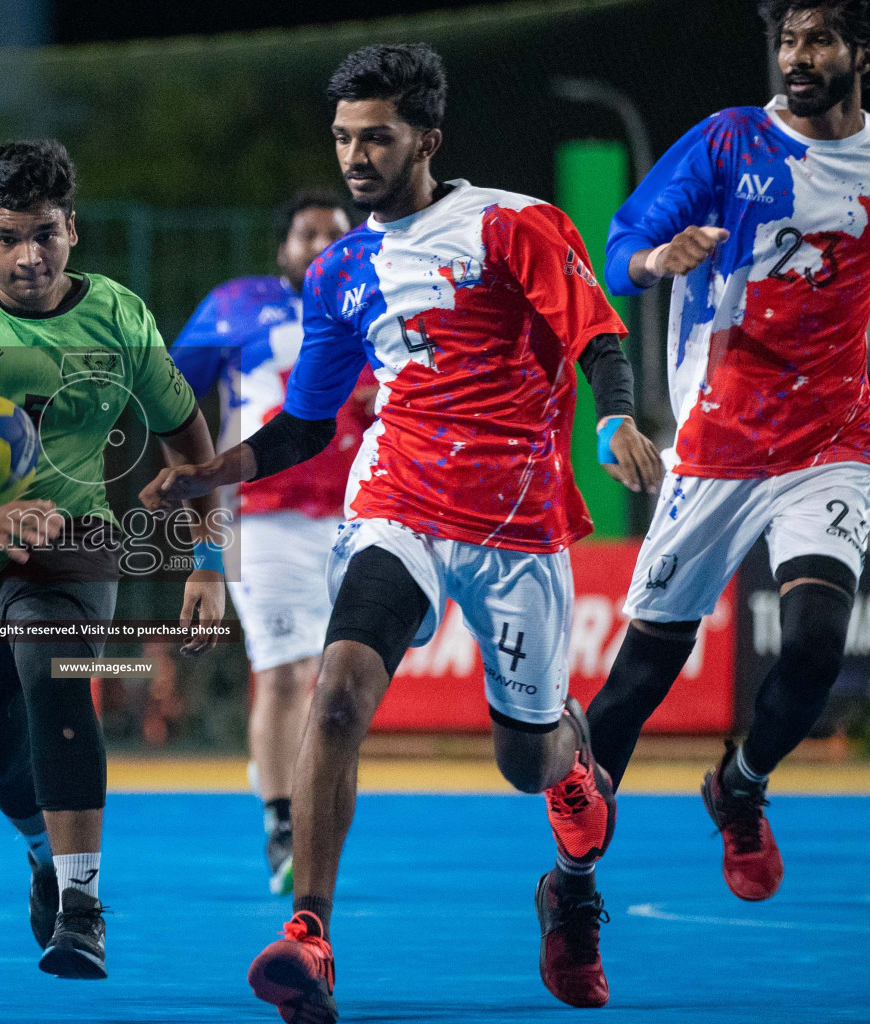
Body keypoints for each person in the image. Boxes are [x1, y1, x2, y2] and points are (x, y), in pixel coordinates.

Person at [141, 44, 663, 1020]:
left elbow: (596, 334)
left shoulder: (514, 225)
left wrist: (614, 418)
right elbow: (306, 422)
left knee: (528, 759)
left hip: (516, 519)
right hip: (399, 497)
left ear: (427, 136)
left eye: (375, 136)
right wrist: (209, 473)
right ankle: (309, 934)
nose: (354, 157)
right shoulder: (340, 269)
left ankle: (570, 826)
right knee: (334, 692)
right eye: (342, 138)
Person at [0, 139, 225, 980]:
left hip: (76, 539)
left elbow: (188, 433)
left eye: (46, 235)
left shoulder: (120, 317)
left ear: (73, 232)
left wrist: (208, 559)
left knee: (51, 669)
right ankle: (39, 848)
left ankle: (84, 908)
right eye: (10, 236)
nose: (30, 256)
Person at [589, 0, 870, 905]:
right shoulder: (729, 143)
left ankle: (740, 786)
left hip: (835, 444)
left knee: (819, 642)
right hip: (717, 444)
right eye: (787, 39)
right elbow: (619, 243)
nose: (797, 55)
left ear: (860, 53)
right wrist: (661, 259)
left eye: (819, 38)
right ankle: (571, 881)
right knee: (635, 685)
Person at [170, 189, 378, 896]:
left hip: (365, 516)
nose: (322, 243)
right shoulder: (236, 305)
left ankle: (311, 812)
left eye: (335, 232)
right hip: (266, 515)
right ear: (281, 246)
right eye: (307, 232)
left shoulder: (378, 303)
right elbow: (171, 398)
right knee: (286, 673)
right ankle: (282, 824)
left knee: (339, 686)